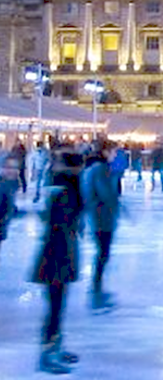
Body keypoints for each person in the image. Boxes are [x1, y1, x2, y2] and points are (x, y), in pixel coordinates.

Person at [31, 149, 84, 374]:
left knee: (57, 307)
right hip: (55, 258)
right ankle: (47, 354)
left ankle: (55, 347)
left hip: (60, 255)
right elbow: (58, 224)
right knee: (54, 308)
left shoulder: (63, 188)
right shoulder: (63, 190)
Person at [81, 140, 120, 312]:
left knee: (102, 253)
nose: (115, 155)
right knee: (103, 253)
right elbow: (106, 194)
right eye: (113, 152)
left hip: (98, 217)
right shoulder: (101, 169)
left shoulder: (94, 168)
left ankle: (97, 287)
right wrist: (115, 206)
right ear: (105, 152)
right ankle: (96, 288)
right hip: (101, 218)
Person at [0, 156, 19, 261]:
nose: (12, 171)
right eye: (9, 167)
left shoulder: (11, 184)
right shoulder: (3, 184)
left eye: (14, 167)